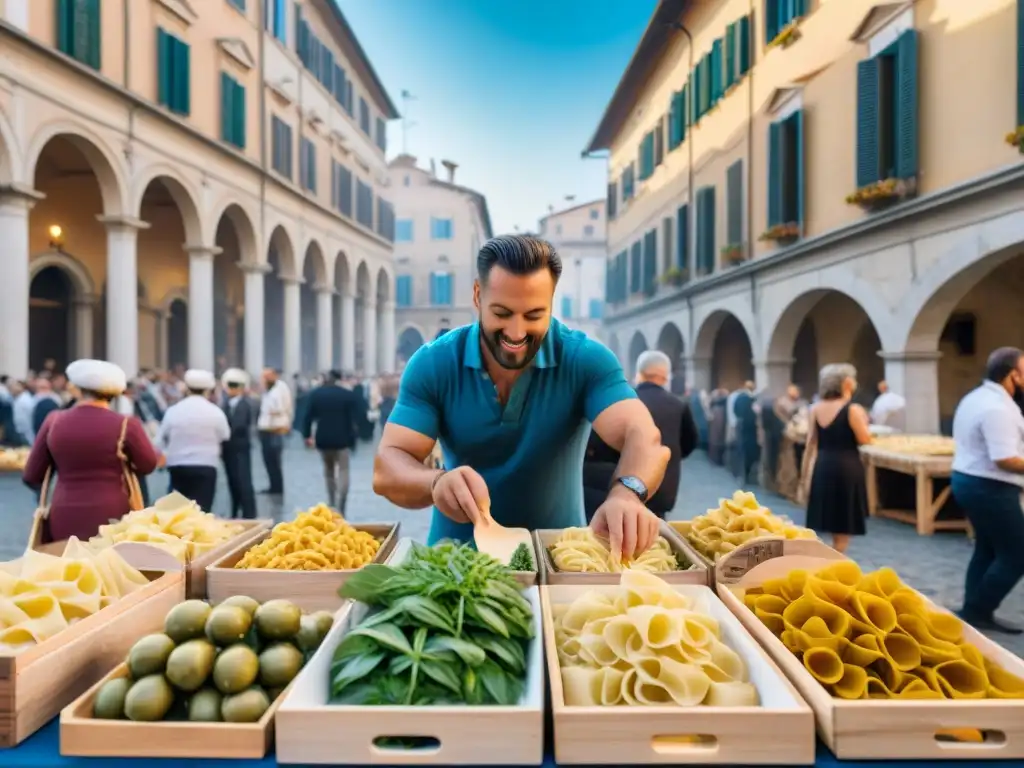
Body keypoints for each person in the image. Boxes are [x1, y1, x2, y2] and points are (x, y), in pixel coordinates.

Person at [373, 234, 669, 559]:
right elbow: (388, 466)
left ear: (552, 302)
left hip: (559, 562)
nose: (516, 333)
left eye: (533, 316)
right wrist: (434, 483)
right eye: (502, 313)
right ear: (477, 295)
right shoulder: (433, 363)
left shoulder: (586, 359)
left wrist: (626, 493)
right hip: (452, 566)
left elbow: (642, 435)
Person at [22, 359, 160, 541]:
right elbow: (148, 464)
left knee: (67, 566)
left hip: (64, 514)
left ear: (76, 389)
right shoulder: (127, 424)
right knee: (110, 567)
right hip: (115, 514)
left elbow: (31, 475)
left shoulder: (53, 421)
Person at [950, 347, 1024, 634]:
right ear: (1012, 375)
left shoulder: (978, 397)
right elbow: (1004, 458)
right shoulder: (997, 408)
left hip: (971, 480)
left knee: (988, 548)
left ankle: (974, 611)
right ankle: (977, 609)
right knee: (1017, 553)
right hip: (989, 486)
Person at [583, 350, 697, 521]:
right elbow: (689, 443)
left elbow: (596, 443)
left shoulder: (619, 402)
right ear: (665, 376)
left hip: (620, 488)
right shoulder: (678, 404)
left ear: (639, 373)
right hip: (661, 493)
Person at [802, 363, 872, 553]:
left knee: (829, 518)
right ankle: (837, 561)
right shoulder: (852, 410)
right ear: (847, 383)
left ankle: (829, 559)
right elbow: (865, 439)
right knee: (843, 525)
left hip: (823, 465)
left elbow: (811, 443)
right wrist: (866, 423)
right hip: (846, 466)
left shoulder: (814, 409)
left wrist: (805, 476)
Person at [157, 369, 230, 512]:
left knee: (177, 512)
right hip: (206, 465)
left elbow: (160, 438)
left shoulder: (174, 410)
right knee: (202, 511)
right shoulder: (215, 412)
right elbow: (225, 435)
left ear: (187, 388)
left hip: (178, 466)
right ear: (208, 390)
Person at [303, 369, 362, 511]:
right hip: (343, 438)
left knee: (328, 471)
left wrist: (307, 435)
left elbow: (308, 417)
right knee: (344, 470)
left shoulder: (316, 394)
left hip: (323, 438)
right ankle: (342, 501)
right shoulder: (347, 395)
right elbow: (357, 417)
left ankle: (331, 500)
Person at [221, 368, 257, 519]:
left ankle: (249, 513)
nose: (232, 389)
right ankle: (235, 511)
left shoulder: (244, 404)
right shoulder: (226, 404)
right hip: (229, 449)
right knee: (233, 481)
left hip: (240, 448)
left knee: (243, 481)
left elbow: (239, 425)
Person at [257, 368, 292, 496]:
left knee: (274, 460)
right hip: (266, 428)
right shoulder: (268, 390)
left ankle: (277, 487)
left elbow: (281, 407)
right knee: (268, 460)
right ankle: (273, 485)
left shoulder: (280, 388)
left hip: (275, 428)